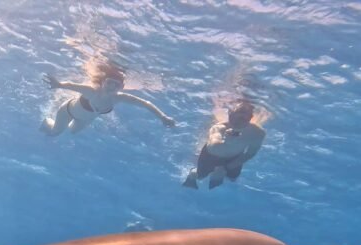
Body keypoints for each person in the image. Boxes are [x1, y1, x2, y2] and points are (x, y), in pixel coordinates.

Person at [39, 64, 175, 136]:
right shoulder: (91, 91)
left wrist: (162, 117)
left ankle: (61, 124)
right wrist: (58, 85)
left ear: (121, 87)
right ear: (103, 82)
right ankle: (47, 121)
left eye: (116, 84)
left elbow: (145, 104)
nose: (112, 86)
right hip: (67, 111)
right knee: (55, 133)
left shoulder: (119, 98)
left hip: (85, 119)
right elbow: (70, 85)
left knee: (73, 132)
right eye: (109, 82)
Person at [183, 100, 265, 190]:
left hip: (235, 157)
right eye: (238, 115)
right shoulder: (219, 128)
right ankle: (192, 174)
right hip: (211, 156)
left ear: (250, 118)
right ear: (230, 114)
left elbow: (250, 153)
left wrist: (228, 166)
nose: (239, 121)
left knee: (232, 179)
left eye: (244, 118)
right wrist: (227, 140)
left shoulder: (257, 133)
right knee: (200, 176)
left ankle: (219, 174)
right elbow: (213, 145)